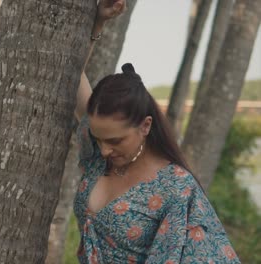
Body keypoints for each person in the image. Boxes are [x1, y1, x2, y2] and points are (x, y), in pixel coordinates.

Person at [73, 0, 240, 263]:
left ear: (145, 126)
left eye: (115, 140)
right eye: (98, 138)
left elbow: (210, 256)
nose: (104, 149)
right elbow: (73, 77)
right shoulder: (98, 153)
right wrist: (98, 23)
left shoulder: (176, 186)